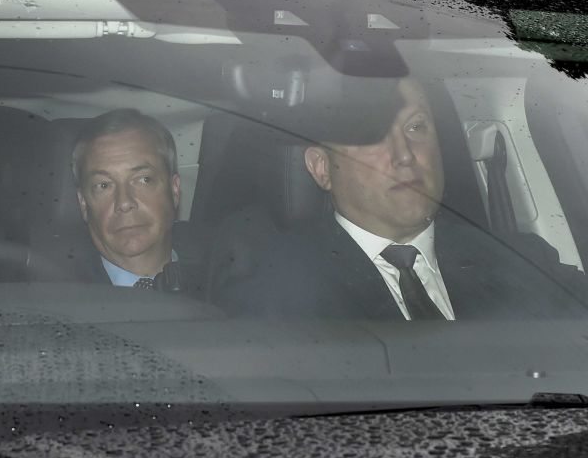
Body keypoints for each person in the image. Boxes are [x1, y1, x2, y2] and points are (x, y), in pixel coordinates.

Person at [218, 76, 588, 320]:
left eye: (416, 127)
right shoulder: (272, 292)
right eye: (372, 135)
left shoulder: (522, 262)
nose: (405, 154)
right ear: (321, 168)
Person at [71, 108, 203, 294]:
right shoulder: (58, 301)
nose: (124, 203)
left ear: (174, 190)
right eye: (103, 185)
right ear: (83, 203)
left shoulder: (222, 288)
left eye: (143, 180)